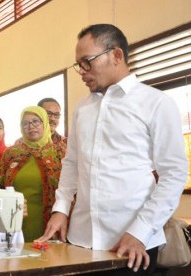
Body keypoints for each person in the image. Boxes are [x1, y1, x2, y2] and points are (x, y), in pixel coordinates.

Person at [37, 24, 188, 275]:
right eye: (78, 64)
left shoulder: (156, 103)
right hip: (81, 242)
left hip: (132, 247)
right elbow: (72, 163)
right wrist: (61, 210)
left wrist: (140, 231)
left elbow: (174, 174)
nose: (81, 71)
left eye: (87, 62)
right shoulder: (81, 108)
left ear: (116, 55)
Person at [0, 106, 65, 242]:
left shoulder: (60, 153)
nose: (31, 126)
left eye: (36, 121)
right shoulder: (11, 153)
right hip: (14, 223)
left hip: (51, 224)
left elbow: (70, 191)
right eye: (25, 123)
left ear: (45, 124)